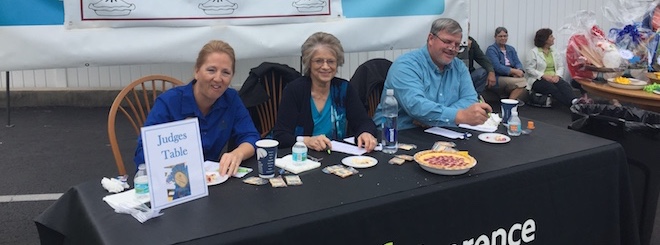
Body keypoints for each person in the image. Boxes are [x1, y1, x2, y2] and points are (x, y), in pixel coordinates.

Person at [134, 40, 259, 176]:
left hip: (210, 179)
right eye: (211, 70)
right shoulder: (168, 103)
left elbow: (251, 136)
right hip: (172, 179)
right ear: (197, 71)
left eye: (226, 72)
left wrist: (237, 154)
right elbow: (143, 153)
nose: (218, 78)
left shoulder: (231, 99)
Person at [373, 18, 492, 130]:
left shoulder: (459, 67)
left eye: (457, 45)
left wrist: (434, 118)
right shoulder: (405, 66)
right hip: (395, 136)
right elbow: (416, 106)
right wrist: (459, 116)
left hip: (439, 132)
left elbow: (470, 99)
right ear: (431, 39)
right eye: (447, 41)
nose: (452, 48)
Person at [273, 32, 378, 152]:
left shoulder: (344, 89)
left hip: (337, 158)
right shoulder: (294, 90)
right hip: (303, 158)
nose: (325, 67)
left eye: (331, 61)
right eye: (318, 61)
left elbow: (364, 122)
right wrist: (306, 141)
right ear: (309, 63)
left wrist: (366, 133)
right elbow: (280, 136)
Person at [525, 28, 585, 107]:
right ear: (545, 39)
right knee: (552, 89)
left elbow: (560, 66)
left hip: (554, 77)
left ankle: (574, 101)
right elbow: (529, 69)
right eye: (551, 37)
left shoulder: (554, 51)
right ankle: (572, 104)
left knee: (565, 86)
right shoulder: (533, 52)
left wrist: (557, 76)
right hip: (538, 79)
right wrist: (543, 76)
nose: (553, 38)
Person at [485, 27, 528, 102]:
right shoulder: (491, 49)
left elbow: (517, 62)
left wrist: (519, 70)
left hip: (511, 76)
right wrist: (513, 71)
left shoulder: (511, 49)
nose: (503, 38)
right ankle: (509, 104)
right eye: (500, 36)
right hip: (498, 77)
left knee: (522, 83)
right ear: (495, 37)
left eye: (505, 36)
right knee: (522, 82)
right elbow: (497, 67)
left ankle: (509, 101)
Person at [457, 23, 496, 95]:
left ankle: (475, 96)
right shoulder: (451, 42)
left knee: (483, 72)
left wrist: (491, 71)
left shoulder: (471, 42)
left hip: (469, 74)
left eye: (467, 29)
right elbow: (454, 63)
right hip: (455, 76)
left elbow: (481, 58)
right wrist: (466, 50)